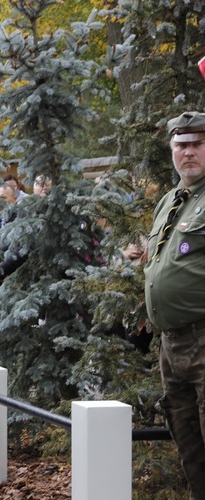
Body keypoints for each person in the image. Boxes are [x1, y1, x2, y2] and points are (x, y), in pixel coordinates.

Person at [144, 111, 205, 498]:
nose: (189, 152)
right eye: (181, 145)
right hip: (171, 343)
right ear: (171, 150)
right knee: (188, 443)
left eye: (198, 144)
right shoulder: (169, 200)